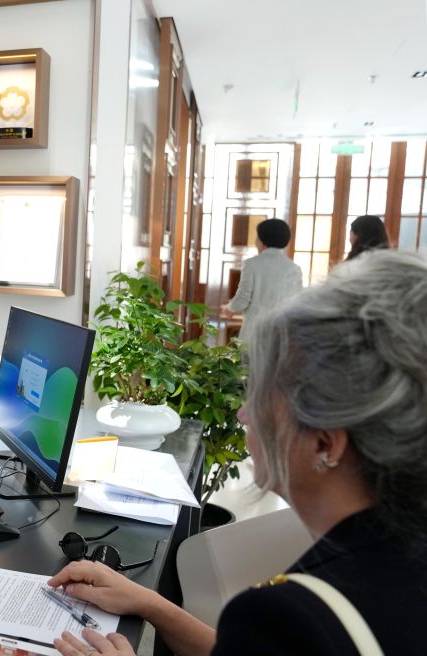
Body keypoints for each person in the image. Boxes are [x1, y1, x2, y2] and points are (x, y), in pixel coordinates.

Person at [49, 249, 427, 655]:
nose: (245, 414)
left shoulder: (293, 618)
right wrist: (150, 603)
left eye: (262, 395)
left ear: (325, 443)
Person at [220, 218, 302, 341]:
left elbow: (243, 299)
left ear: (262, 240)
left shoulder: (251, 264)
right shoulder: (294, 268)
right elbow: (296, 302)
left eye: (257, 237)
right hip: (280, 332)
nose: (255, 241)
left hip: (254, 331)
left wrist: (229, 309)